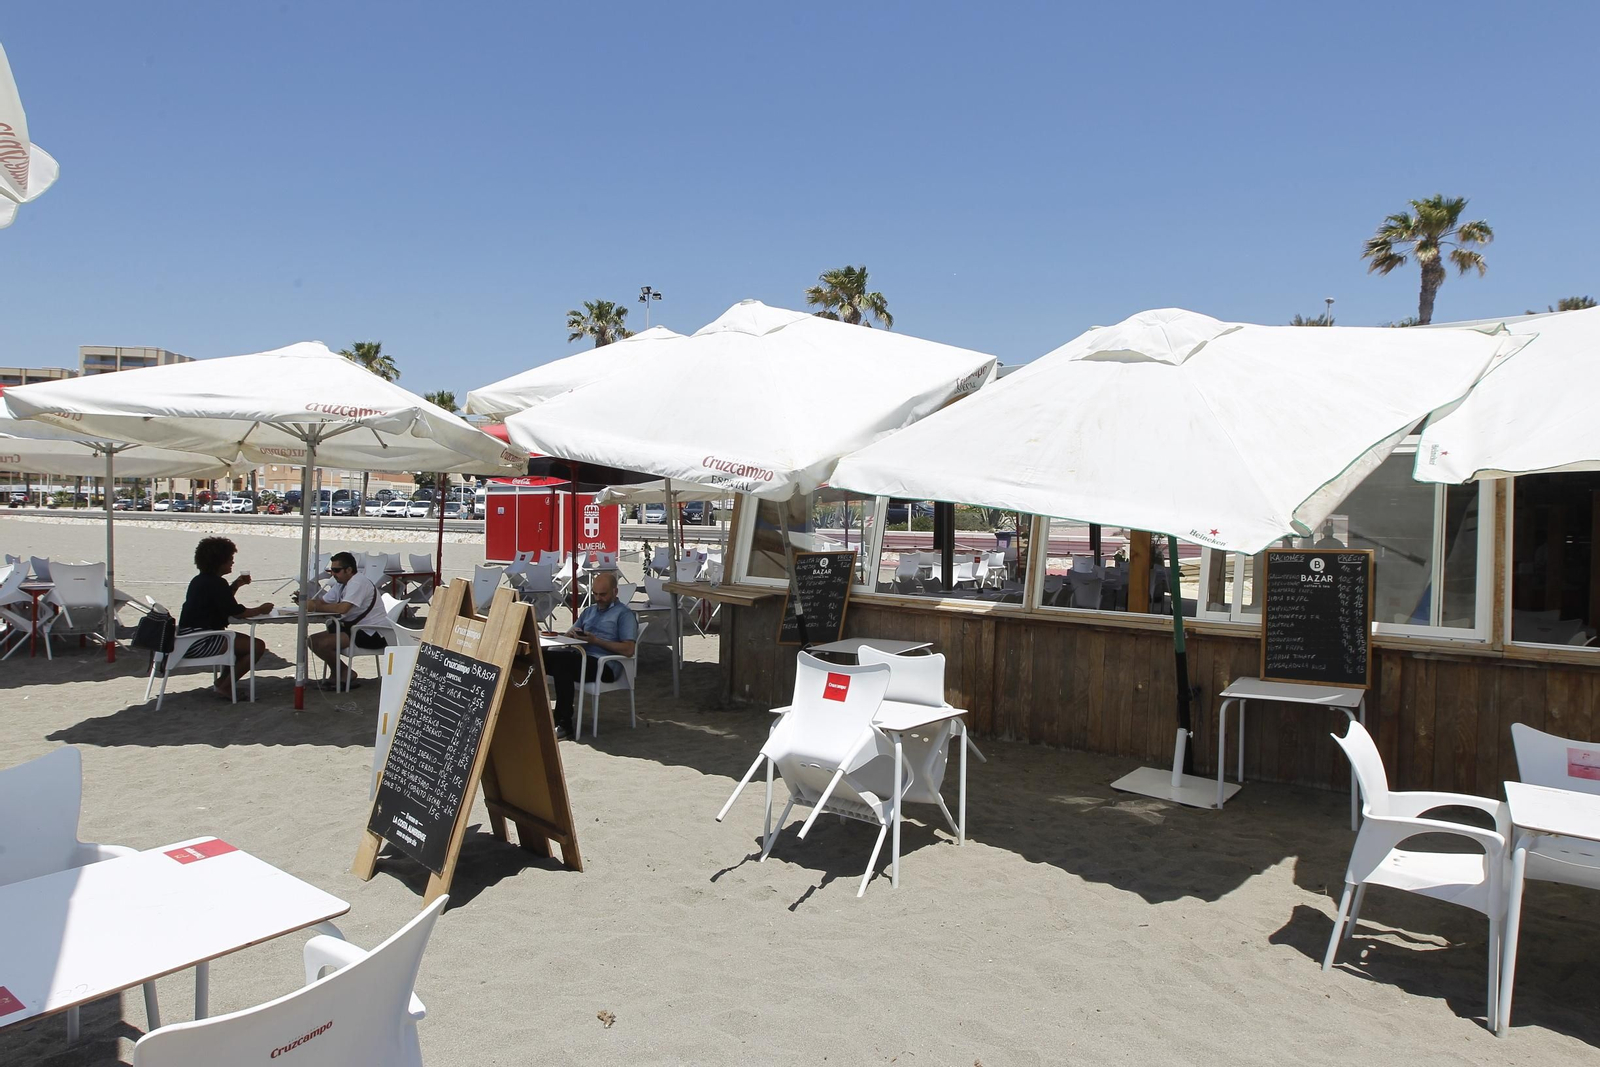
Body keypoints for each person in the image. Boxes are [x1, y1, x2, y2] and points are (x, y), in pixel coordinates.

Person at [544, 570, 637, 739]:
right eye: (595, 594)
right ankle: (543, 715)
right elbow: (569, 634)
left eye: (603, 594)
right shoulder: (589, 611)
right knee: (539, 655)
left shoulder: (624, 614)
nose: (598, 598)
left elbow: (629, 649)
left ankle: (564, 723)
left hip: (605, 664)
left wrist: (596, 641)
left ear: (615, 592)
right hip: (580, 657)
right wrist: (571, 635)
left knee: (562, 663)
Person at [178, 537, 274, 698]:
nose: (232, 562)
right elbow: (237, 612)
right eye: (229, 559)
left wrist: (236, 585)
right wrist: (261, 610)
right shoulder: (216, 583)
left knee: (241, 644)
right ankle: (226, 686)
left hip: (188, 636)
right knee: (256, 646)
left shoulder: (201, 580)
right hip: (199, 640)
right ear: (219, 561)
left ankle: (223, 682)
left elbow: (224, 602)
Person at [304, 550, 384, 689]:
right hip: (355, 629)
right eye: (331, 570)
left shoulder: (357, 582)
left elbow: (343, 608)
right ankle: (342, 672)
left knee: (322, 644)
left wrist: (315, 606)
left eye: (336, 570)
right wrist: (310, 603)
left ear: (349, 570)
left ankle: (342, 673)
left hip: (372, 632)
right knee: (312, 641)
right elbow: (324, 601)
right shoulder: (341, 583)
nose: (333, 574)